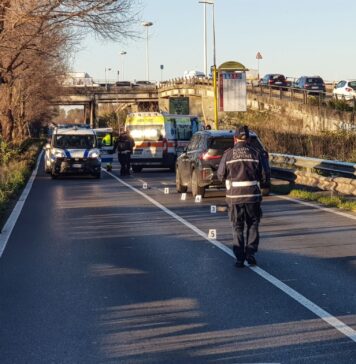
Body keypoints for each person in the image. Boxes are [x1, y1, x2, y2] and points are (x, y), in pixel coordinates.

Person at [217, 125, 266, 268]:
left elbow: (220, 175)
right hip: (252, 196)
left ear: (235, 138)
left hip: (235, 198)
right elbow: (264, 175)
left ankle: (239, 258)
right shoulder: (256, 153)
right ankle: (250, 254)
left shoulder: (228, 154)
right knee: (253, 224)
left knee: (237, 226)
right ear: (249, 139)